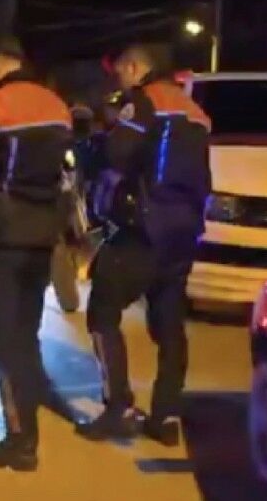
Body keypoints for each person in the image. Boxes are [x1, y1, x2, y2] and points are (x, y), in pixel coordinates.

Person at [77, 45, 211, 446]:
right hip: (185, 230)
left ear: (135, 67)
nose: (119, 79)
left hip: (144, 227)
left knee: (102, 310)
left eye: (121, 71)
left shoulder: (144, 101)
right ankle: (166, 415)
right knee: (169, 323)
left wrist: (96, 137)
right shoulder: (194, 111)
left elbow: (116, 154)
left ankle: (118, 407)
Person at [0, 33, 73, 470]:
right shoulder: (57, 106)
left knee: (3, 339)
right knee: (24, 331)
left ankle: (21, 440)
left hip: (2, 239)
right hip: (42, 236)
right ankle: (29, 410)